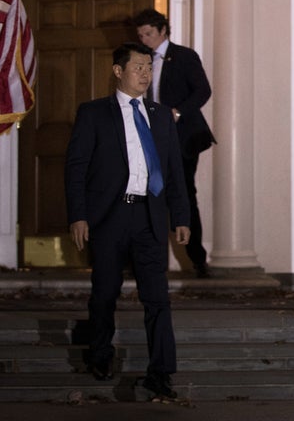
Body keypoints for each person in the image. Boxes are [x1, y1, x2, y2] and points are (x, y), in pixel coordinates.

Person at [65, 42, 191, 399]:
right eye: (138, 67)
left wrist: (180, 216)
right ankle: (100, 355)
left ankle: (161, 372)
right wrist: (78, 215)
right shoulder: (93, 113)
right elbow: (76, 169)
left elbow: (174, 172)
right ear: (118, 71)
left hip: (149, 217)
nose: (145, 74)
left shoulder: (161, 115)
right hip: (109, 217)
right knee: (104, 293)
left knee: (158, 300)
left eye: (149, 68)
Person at [133, 8, 215, 278]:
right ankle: (142, 260)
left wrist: (177, 112)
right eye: (140, 34)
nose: (144, 39)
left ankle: (198, 261)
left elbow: (203, 90)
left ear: (163, 31)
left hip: (182, 137)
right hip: (149, 137)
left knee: (183, 195)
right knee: (145, 194)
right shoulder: (139, 59)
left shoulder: (183, 56)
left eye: (149, 33)